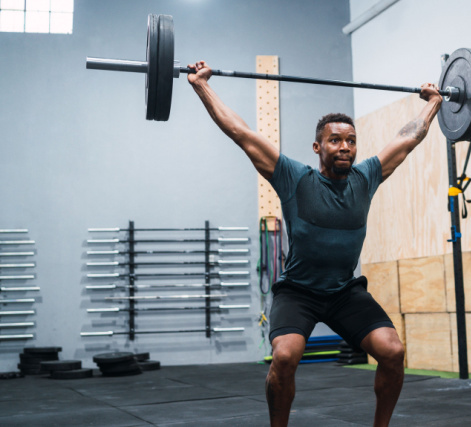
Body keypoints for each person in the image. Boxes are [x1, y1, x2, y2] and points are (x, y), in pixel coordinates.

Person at [187, 60, 442, 427]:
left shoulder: (366, 177)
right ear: (317, 146)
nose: (345, 147)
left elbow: (408, 138)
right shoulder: (294, 178)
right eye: (335, 140)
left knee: (392, 351)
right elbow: (240, 132)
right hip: (299, 292)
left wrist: (433, 102)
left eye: (351, 141)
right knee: (286, 356)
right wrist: (202, 86)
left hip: (343, 292)